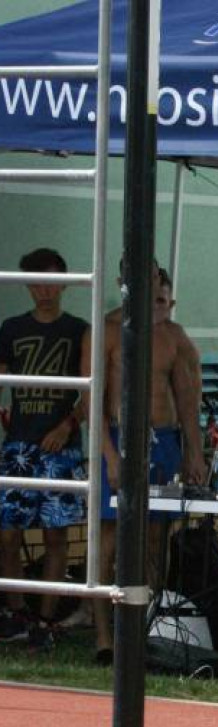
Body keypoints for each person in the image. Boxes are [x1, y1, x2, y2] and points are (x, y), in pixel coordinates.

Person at [94, 259, 206, 664]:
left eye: (154, 278)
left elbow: (188, 402)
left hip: (164, 441)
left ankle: (149, 628)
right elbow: (92, 402)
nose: (148, 284)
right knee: (110, 537)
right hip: (120, 438)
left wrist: (194, 451)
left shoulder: (173, 336)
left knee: (157, 537)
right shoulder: (105, 330)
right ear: (122, 281)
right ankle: (104, 637)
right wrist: (109, 456)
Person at [0, 248, 90, 647]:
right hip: (18, 445)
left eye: (51, 281)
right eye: (36, 283)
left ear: (64, 283)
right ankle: (16, 613)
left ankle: (46, 620)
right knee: (8, 535)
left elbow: (91, 391)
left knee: (56, 535)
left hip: (60, 447)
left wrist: (68, 424)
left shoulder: (79, 330)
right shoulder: (11, 328)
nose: (44, 290)